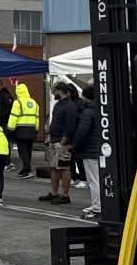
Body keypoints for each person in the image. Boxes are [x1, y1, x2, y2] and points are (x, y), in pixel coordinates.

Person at [40, 82, 78, 205]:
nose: (52, 93)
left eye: (54, 90)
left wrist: (62, 143)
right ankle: (54, 192)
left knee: (64, 168)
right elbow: (56, 121)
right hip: (54, 140)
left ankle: (65, 195)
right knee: (54, 168)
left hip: (63, 143)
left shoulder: (69, 106)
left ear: (59, 90)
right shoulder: (58, 105)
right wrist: (49, 136)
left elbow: (70, 126)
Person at [72, 85, 101, 219]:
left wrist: (75, 146)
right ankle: (98, 204)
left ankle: (97, 207)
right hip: (101, 149)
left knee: (93, 180)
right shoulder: (102, 110)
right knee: (100, 179)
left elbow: (82, 131)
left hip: (90, 150)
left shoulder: (87, 112)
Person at [8, 82, 39, 178]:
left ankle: (28, 169)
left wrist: (10, 129)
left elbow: (14, 117)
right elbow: (37, 117)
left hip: (21, 129)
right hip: (32, 129)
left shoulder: (18, 102)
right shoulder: (34, 102)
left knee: (22, 151)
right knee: (28, 150)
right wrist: (36, 129)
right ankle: (25, 170)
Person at [68, 85, 87, 189]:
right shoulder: (76, 103)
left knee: (78, 158)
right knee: (71, 158)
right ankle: (74, 177)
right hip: (72, 134)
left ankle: (82, 179)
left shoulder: (78, 104)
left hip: (75, 134)